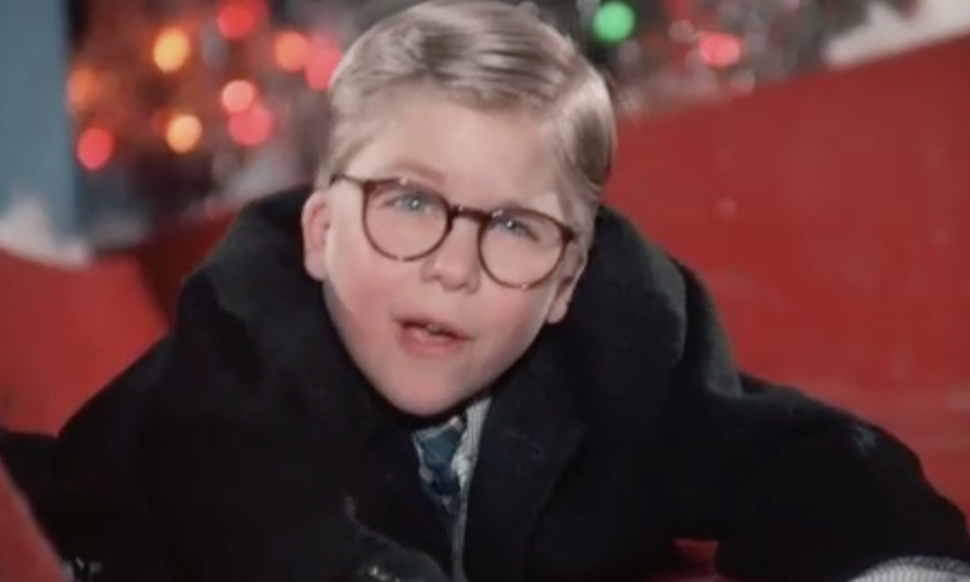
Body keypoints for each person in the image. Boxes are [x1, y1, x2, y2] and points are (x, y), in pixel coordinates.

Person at [41, 1, 970, 582]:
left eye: (515, 228)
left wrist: (895, 567)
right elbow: (279, 538)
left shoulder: (623, 341)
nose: (456, 266)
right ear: (321, 235)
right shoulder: (246, 347)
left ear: (567, 283)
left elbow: (793, 455)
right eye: (411, 202)